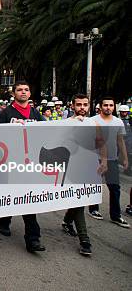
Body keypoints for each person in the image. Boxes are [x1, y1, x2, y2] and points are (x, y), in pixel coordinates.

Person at [0, 81, 46, 253]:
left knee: (28, 199)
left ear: (30, 94)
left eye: (26, 89)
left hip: (29, 164)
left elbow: (48, 132)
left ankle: (33, 239)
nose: (23, 92)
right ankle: (3, 221)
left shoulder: (36, 114)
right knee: (8, 194)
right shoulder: (5, 113)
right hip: (10, 162)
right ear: (13, 93)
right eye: (19, 90)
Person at [60, 93, 107, 256]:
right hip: (71, 167)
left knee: (80, 199)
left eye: (85, 104)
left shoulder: (94, 123)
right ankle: (84, 240)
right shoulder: (65, 123)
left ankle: (67, 221)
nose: (82, 108)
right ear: (72, 106)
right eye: (78, 104)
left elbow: (101, 142)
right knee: (79, 199)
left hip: (89, 167)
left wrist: (104, 161)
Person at [88, 97, 129, 228]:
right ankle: (93, 209)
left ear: (114, 107)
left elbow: (120, 141)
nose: (108, 107)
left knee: (115, 188)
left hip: (112, 160)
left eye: (111, 105)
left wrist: (125, 157)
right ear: (100, 106)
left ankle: (116, 216)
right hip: (95, 159)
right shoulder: (93, 121)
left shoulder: (118, 122)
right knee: (96, 186)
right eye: (105, 105)